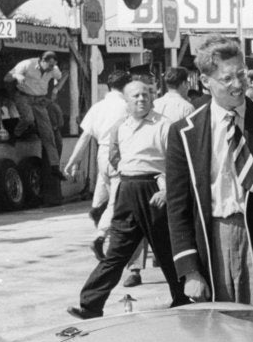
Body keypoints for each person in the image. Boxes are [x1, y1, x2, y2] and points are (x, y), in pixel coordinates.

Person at [166, 34, 253, 306]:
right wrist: (190, 270)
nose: (238, 85)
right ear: (205, 82)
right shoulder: (183, 133)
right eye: (227, 79)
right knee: (218, 331)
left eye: (242, 74)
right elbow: (178, 207)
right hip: (212, 239)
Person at [67, 81, 185, 318]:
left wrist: (165, 190)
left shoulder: (165, 125)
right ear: (126, 101)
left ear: (152, 98)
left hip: (155, 191)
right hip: (127, 190)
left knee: (167, 250)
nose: (141, 99)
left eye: (145, 95)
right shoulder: (120, 127)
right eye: (135, 96)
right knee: (116, 252)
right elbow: (114, 157)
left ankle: (185, 300)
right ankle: (90, 305)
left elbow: (177, 164)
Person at [64, 69, 130, 260]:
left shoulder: (98, 107)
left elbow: (85, 137)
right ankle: (101, 235)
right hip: (121, 151)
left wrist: (72, 161)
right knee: (117, 198)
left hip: (102, 153)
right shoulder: (127, 106)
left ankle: (97, 209)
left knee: (105, 184)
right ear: (126, 86)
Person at [6, 51, 62, 176]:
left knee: (48, 133)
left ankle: (55, 166)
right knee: (28, 119)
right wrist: (16, 76)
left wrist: (56, 88)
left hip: (39, 100)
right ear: (42, 61)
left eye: (53, 66)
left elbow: (61, 76)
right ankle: (16, 134)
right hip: (23, 96)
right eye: (48, 66)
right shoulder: (26, 64)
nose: (50, 70)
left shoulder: (54, 69)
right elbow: (6, 77)